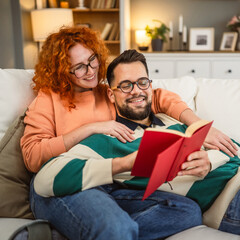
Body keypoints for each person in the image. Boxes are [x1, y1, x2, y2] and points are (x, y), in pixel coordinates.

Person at [33, 49, 240, 237]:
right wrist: (123, 164)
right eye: (125, 85)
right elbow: (45, 177)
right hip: (230, 201)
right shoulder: (111, 139)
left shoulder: (176, 122)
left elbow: (234, 149)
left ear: (150, 86)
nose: (136, 91)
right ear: (111, 95)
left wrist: (210, 161)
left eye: (143, 82)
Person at [20, 26, 237, 175]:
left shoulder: (106, 91)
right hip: (66, 174)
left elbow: (159, 97)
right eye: (79, 67)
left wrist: (199, 126)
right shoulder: (49, 98)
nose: (90, 71)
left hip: (110, 177)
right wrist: (92, 128)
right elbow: (32, 157)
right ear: (61, 72)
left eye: (92, 60)